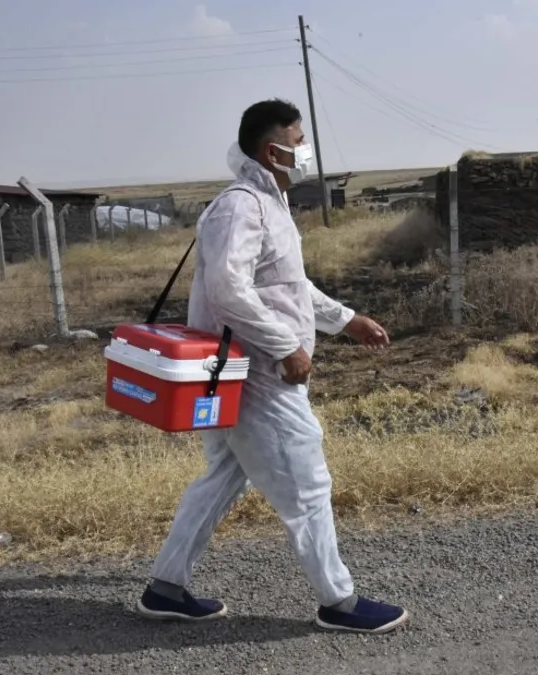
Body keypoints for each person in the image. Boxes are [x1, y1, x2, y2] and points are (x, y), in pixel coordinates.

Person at [135, 99, 410, 635]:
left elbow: (286, 285)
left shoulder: (269, 203)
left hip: (244, 372)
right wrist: (286, 346)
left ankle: (165, 588)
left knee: (222, 477)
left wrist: (346, 319)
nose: (304, 149)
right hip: (255, 373)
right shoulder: (242, 205)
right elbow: (228, 288)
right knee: (307, 482)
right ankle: (339, 601)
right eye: (298, 140)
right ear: (272, 149)